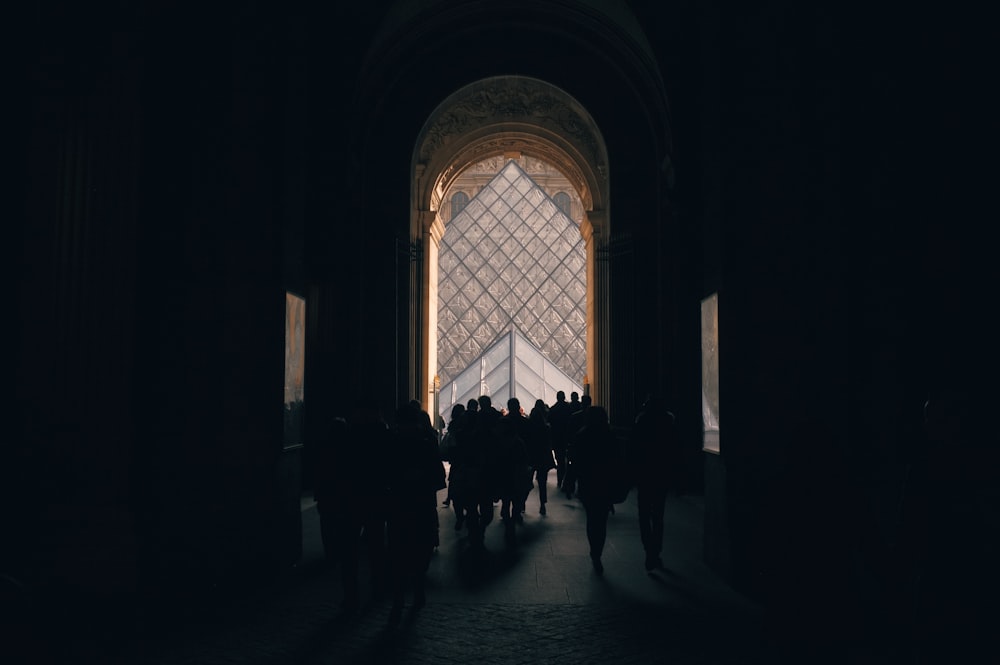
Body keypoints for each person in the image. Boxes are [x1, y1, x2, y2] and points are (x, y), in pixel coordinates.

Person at [385, 402, 446, 619]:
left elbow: (383, 475)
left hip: (399, 505)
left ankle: (400, 595)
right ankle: (417, 590)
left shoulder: (391, 444)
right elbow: (439, 478)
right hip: (422, 504)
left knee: (398, 551)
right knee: (421, 550)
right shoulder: (427, 444)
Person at [570, 405, 622, 574]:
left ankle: (594, 551)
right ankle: (597, 550)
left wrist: (570, 482)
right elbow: (617, 461)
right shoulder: (610, 435)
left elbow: (575, 461)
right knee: (601, 521)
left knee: (592, 519)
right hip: (605, 483)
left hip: (588, 483)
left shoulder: (582, 435)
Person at [630, 394, 677, 571]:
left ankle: (648, 549)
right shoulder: (669, 422)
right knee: (658, 516)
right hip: (661, 474)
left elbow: (633, 449)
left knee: (643, 515)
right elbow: (675, 450)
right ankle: (655, 551)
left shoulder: (641, 422)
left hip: (644, 474)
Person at [527, 399, 555, 515]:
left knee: (527, 480)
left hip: (531, 457)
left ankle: (522, 502)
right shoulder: (546, 428)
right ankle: (542, 503)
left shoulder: (529, 428)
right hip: (542, 457)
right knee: (542, 482)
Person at [547, 391, 573, 490]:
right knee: (568, 459)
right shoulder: (569, 408)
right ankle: (566, 480)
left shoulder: (553, 409)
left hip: (557, 438)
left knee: (560, 459)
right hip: (568, 438)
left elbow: (549, 422)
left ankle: (560, 480)